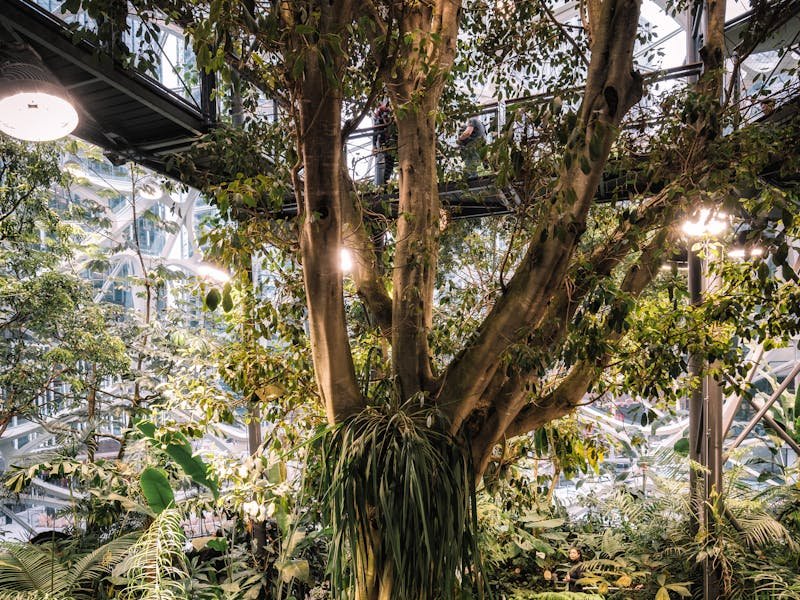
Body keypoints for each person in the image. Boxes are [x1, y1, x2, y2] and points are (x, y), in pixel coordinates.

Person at [372, 100, 397, 186]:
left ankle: (386, 183)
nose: (386, 118)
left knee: (391, 163)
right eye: (385, 117)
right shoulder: (379, 121)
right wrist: (374, 146)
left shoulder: (393, 119)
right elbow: (375, 134)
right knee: (389, 164)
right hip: (385, 143)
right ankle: (386, 184)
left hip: (394, 141)